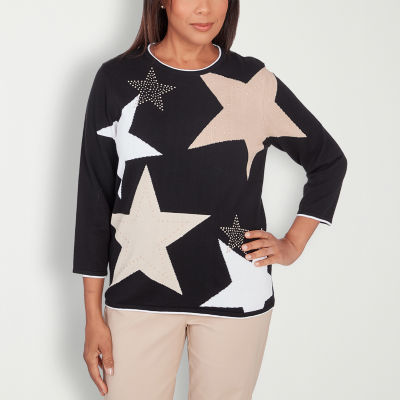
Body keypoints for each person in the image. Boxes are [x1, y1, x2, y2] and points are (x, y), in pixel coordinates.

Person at [72, 0, 348, 398]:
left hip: (237, 295)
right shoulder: (116, 79)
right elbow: (93, 198)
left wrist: (292, 244)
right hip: (137, 297)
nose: (204, 8)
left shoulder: (253, 81)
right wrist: (92, 315)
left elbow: (328, 161)